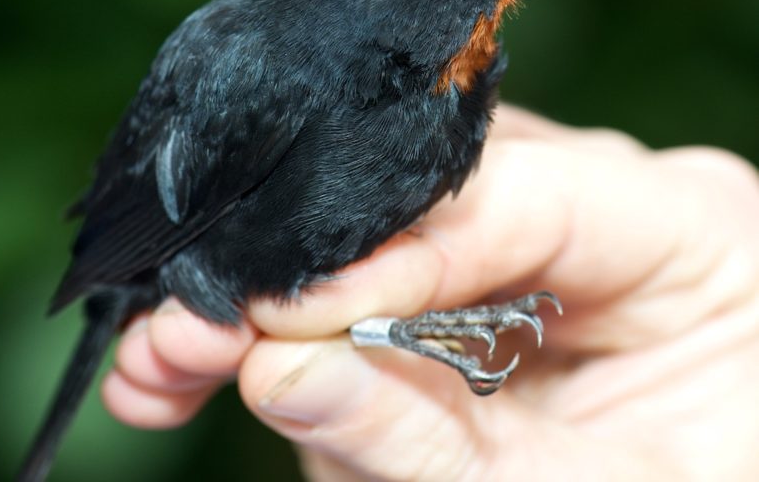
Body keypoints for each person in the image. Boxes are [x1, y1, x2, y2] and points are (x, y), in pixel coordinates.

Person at [100, 105, 759, 480]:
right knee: (301, 311)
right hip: (188, 253)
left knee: (335, 305)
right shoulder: (309, 88)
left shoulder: (434, 94)